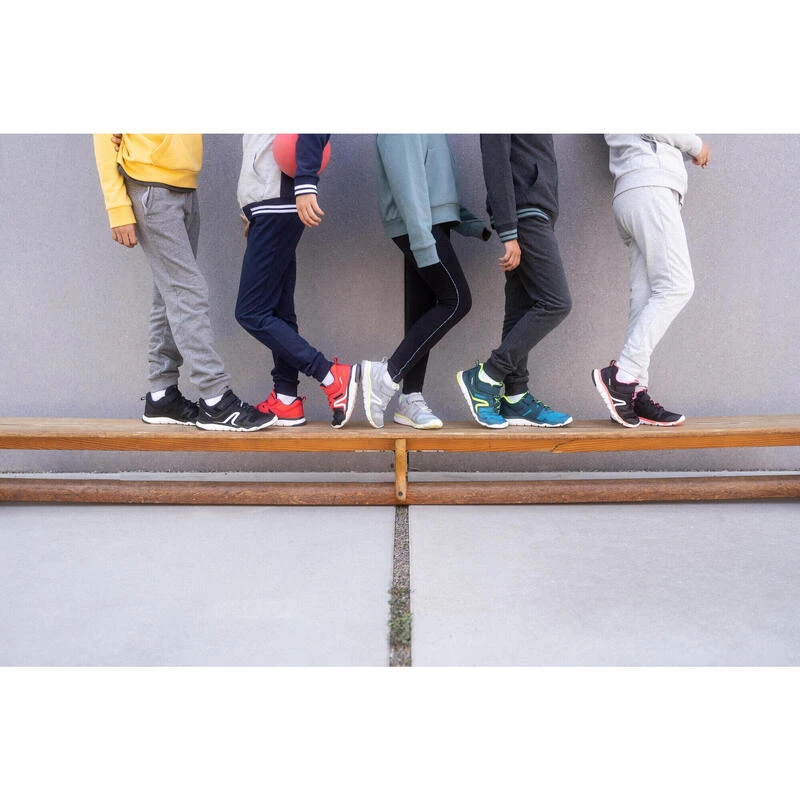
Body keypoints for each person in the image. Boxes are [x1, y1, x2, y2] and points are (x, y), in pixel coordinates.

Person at [93, 134, 276, 432]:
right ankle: (215, 399)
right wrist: (117, 208)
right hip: (149, 184)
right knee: (187, 292)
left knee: (169, 294)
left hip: (184, 185)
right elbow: (103, 134)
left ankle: (162, 395)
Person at [361, 134, 487, 429]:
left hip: (429, 221)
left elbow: (434, 178)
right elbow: (407, 180)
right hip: (420, 224)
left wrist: (466, 220)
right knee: (457, 300)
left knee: (421, 312)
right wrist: (421, 239)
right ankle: (387, 375)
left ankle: (410, 398)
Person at [235, 134, 359, 428]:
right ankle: (286, 398)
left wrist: (305, 184)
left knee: (251, 312)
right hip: (266, 206)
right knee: (278, 311)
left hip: (276, 203)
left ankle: (330, 374)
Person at [592, 134, 711, 427]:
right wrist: (697, 146)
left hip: (633, 189)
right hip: (650, 186)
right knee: (677, 285)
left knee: (646, 298)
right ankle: (622, 377)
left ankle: (634, 392)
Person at [456, 134, 573, 429]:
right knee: (556, 303)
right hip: (525, 215)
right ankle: (486, 376)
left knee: (521, 308)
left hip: (536, 213)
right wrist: (508, 230)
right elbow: (495, 162)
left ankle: (516, 395)